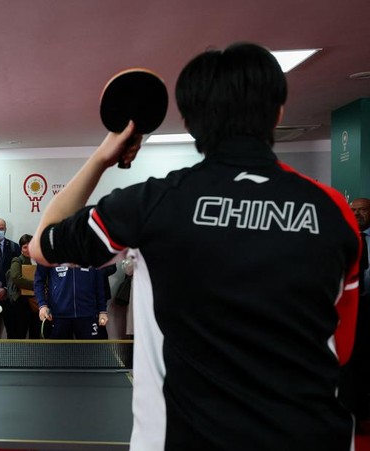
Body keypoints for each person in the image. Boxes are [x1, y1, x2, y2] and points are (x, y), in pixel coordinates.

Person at [28, 42, 360, 450]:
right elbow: (342, 347)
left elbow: (43, 245)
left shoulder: (149, 204)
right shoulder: (334, 212)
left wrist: (102, 157)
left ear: (189, 121)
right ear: (278, 113)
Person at [34, 264, 111, 339]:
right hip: (59, 315)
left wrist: (102, 310)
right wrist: (42, 305)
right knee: (58, 351)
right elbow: (39, 279)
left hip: (87, 314)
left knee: (90, 351)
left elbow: (100, 283)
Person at [346, 197, 370, 432]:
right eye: (353, 210)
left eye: (362, 210)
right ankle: (358, 414)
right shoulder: (345, 237)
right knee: (355, 363)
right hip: (353, 308)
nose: (357, 214)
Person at [6, 234, 39, 339]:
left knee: (35, 333)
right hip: (21, 302)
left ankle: (35, 355)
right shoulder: (17, 260)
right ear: (21, 249)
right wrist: (37, 285)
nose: (28, 250)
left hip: (36, 302)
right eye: (25, 247)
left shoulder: (38, 261)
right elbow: (17, 279)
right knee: (20, 332)